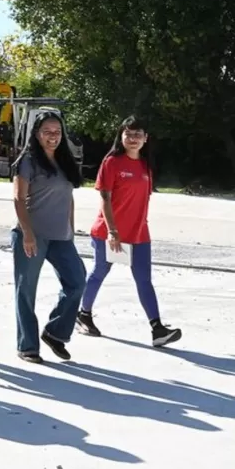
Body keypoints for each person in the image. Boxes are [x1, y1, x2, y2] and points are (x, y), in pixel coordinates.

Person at [76, 115, 182, 347]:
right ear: (121, 136)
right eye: (128, 134)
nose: (133, 138)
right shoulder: (112, 162)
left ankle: (157, 329)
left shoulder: (145, 165)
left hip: (139, 233)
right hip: (109, 232)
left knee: (144, 280)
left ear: (145, 138)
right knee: (99, 272)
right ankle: (83, 314)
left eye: (137, 134)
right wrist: (113, 231)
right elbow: (105, 198)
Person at [11, 111, 86, 364]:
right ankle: (27, 345)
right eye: (47, 132)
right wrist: (27, 233)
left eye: (57, 132)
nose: (53, 136)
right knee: (26, 291)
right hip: (32, 235)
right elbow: (18, 198)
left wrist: (71, 230)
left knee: (77, 281)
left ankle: (55, 332)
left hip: (61, 237)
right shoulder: (28, 161)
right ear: (36, 134)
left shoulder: (65, 160)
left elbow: (69, 197)